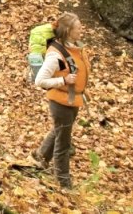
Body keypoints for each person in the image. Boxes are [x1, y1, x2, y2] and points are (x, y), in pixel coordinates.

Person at [32, 12, 89, 188]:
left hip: (72, 100)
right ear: (68, 31)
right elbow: (39, 81)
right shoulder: (57, 56)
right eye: (78, 27)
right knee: (63, 143)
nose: (81, 29)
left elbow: (78, 73)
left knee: (59, 130)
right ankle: (63, 182)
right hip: (61, 103)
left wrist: (82, 91)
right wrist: (62, 81)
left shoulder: (75, 48)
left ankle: (41, 157)